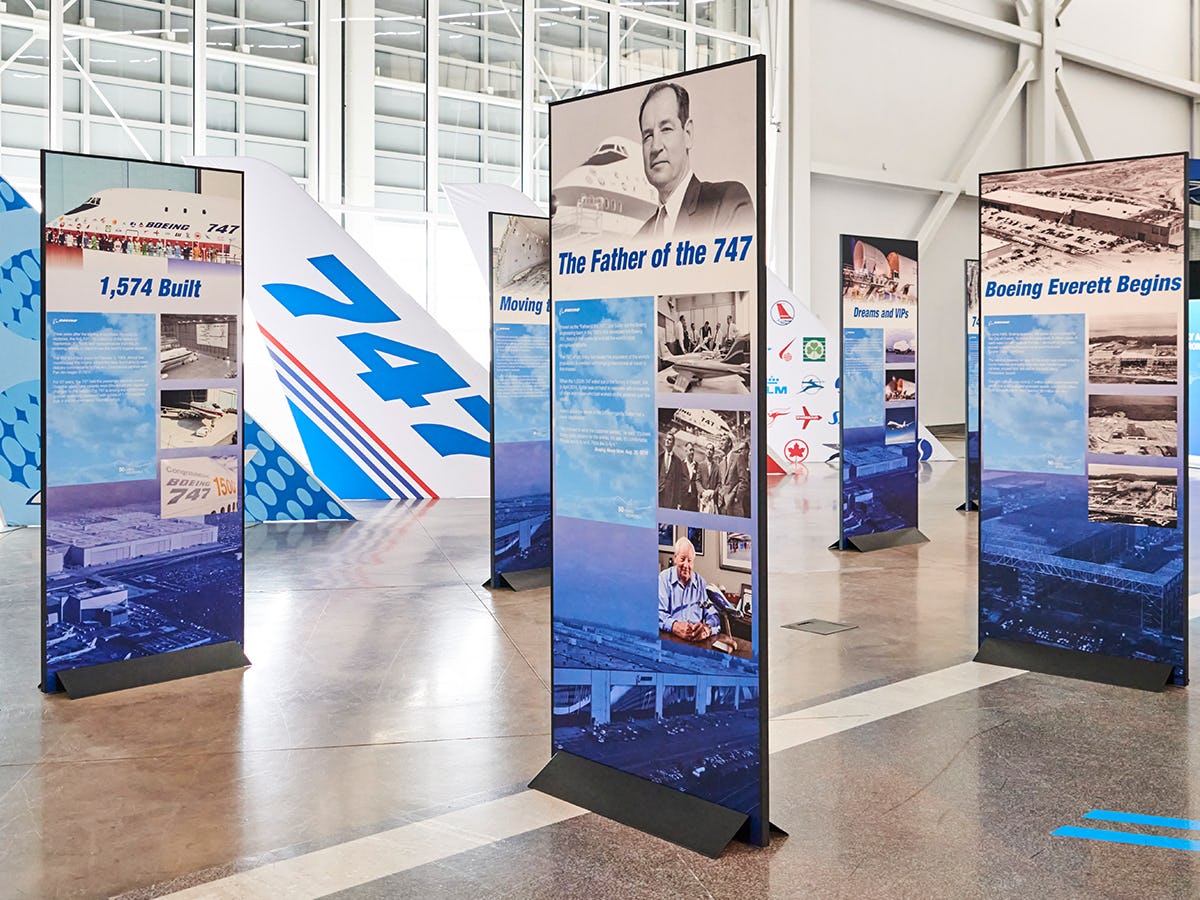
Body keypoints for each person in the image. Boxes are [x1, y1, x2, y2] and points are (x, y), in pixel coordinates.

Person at [636, 82, 754, 239]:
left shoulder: (728, 203)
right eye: (648, 136)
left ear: (688, 134)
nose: (655, 146)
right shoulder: (638, 240)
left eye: (666, 129)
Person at [658, 537, 721, 641]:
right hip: (670, 638)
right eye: (682, 559)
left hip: (696, 640)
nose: (686, 565)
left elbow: (713, 616)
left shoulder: (701, 584)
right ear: (675, 558)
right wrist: (675, 626)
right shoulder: (663, 579)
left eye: (690, 561)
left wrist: (707, 629)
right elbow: (657, 614)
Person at [658, 431, 687, 510]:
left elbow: (679, 481)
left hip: (671, 497)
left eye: (670, 440)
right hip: (659, 494)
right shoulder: (659, 457)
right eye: (666, 439)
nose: (667, 441)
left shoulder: (677, 461)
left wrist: (679, 501)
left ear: (673, 443)